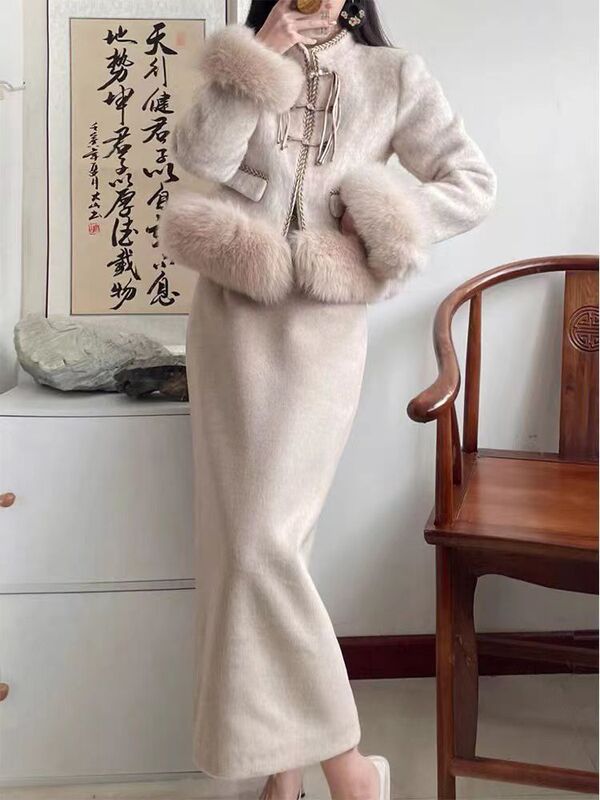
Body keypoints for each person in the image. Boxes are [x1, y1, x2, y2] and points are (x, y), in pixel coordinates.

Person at [160, 1, 496, 798]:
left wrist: (378, 216)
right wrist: (256, 61)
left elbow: (472, 183)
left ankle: (350, 769)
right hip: (231, 319)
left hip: (321, 329)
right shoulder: (248, 53)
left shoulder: (393, 73)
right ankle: (285, 778)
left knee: (263, 547)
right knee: (249, 547)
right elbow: (200, 157)